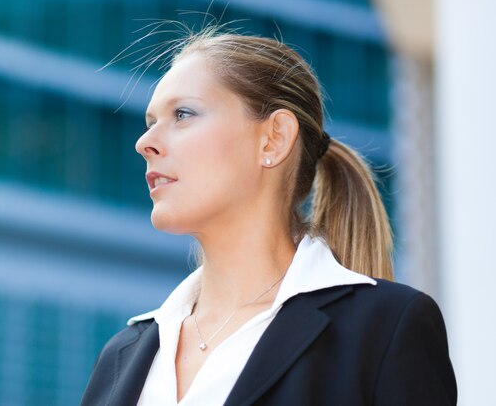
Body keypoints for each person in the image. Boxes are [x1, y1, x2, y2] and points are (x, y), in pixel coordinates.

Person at [80, 26, 457, 406]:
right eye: (150, 123)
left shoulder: (384, 328)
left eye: (182, 114)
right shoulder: (122, 353)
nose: (144, 143)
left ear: (273, 138)